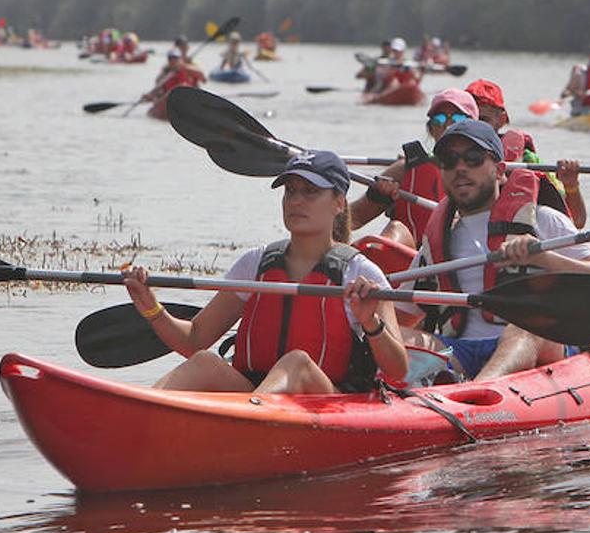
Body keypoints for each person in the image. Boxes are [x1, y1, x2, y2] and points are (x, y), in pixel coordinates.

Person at [122, 151, 408, 392]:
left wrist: (370, 321)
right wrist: (151, 307)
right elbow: (194, 339)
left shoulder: (362, 273)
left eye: (310, 192)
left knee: (296, 363)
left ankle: (251, 416)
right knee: (204, 362)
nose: (296, 201)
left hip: (327, 399)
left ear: (338, 203)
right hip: (257, 394)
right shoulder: (256, 263)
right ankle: (137, 409)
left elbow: (398, 370)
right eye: (291, 191)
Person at [401, 120, 590, 380]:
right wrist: (369, 310)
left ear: (500, 171)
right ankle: (444, 381)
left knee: (524, 328)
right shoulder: (435, 243)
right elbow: (399, 314)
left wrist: (542, 257)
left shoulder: (544, 220)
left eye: (473, 158)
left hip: (533, 341)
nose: (460, 168)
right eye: (449, 160)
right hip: (457, 350)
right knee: (398, 336)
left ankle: (480, 390)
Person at [350, 88, 476, 245]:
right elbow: (352, 220)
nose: (448, 125)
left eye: (458, 118)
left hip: (468, 258)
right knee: (395, 230)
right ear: (431, 128)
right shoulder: (404, 170)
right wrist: (376, 196)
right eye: (440, 118)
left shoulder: (491, 174)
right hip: (414, 263)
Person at [466, 78, 587, 228]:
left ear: (502, 120)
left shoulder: (527, 160)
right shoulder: (448, 160)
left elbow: (577, 221)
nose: (474, 128)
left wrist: (571, 186)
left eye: (483, 120)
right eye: (468, 119)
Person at [143, 49, 206, 118]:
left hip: (187, 99)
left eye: (175, 58)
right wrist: (150, 96)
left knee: (182, 87)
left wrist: (185, 68)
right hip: (168, 100)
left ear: (180, 59)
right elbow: (157, 88)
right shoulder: (165, 73)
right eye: (170, 59)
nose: (173, 61)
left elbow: (204, 80)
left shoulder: (188, 69)